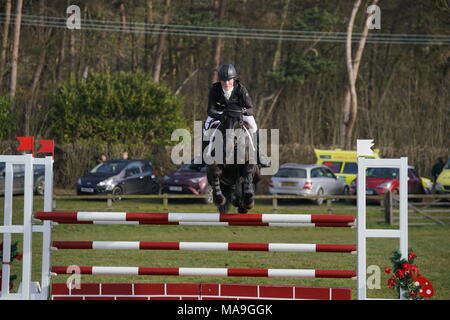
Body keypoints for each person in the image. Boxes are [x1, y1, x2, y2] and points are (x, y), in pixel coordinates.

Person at [202, 63, 270, 167]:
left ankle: (260, 154)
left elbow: (250, 108)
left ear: (234, 79)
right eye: (223, 80)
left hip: (239, 113)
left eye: (229, 80)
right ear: (220, 80)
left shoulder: (241, 89)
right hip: (220, 114)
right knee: (206, 128)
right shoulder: (215, 89)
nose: (226, 83)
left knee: (254, 126)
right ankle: (202, 157)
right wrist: (219, 116)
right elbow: (210, 110)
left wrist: (243, 112)